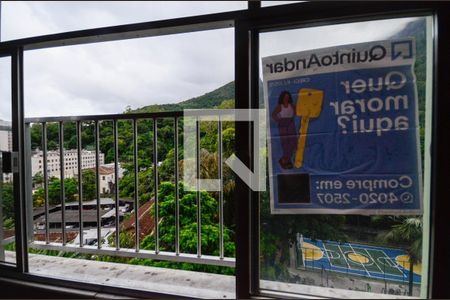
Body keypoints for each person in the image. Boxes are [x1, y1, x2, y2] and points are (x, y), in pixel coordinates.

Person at [272, 91, 297, 169]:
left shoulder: (292, 105)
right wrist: (279, 121)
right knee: (285, 142)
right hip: (283, 124)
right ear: (282, 98)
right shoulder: (280, 106)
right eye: (285, 97)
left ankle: (285, 159)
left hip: (290, 123)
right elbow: (273, 114)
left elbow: (295, 113)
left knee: (293, 142)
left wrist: (291, 119)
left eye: (288, 97)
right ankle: (286, 161)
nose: (286, 98)